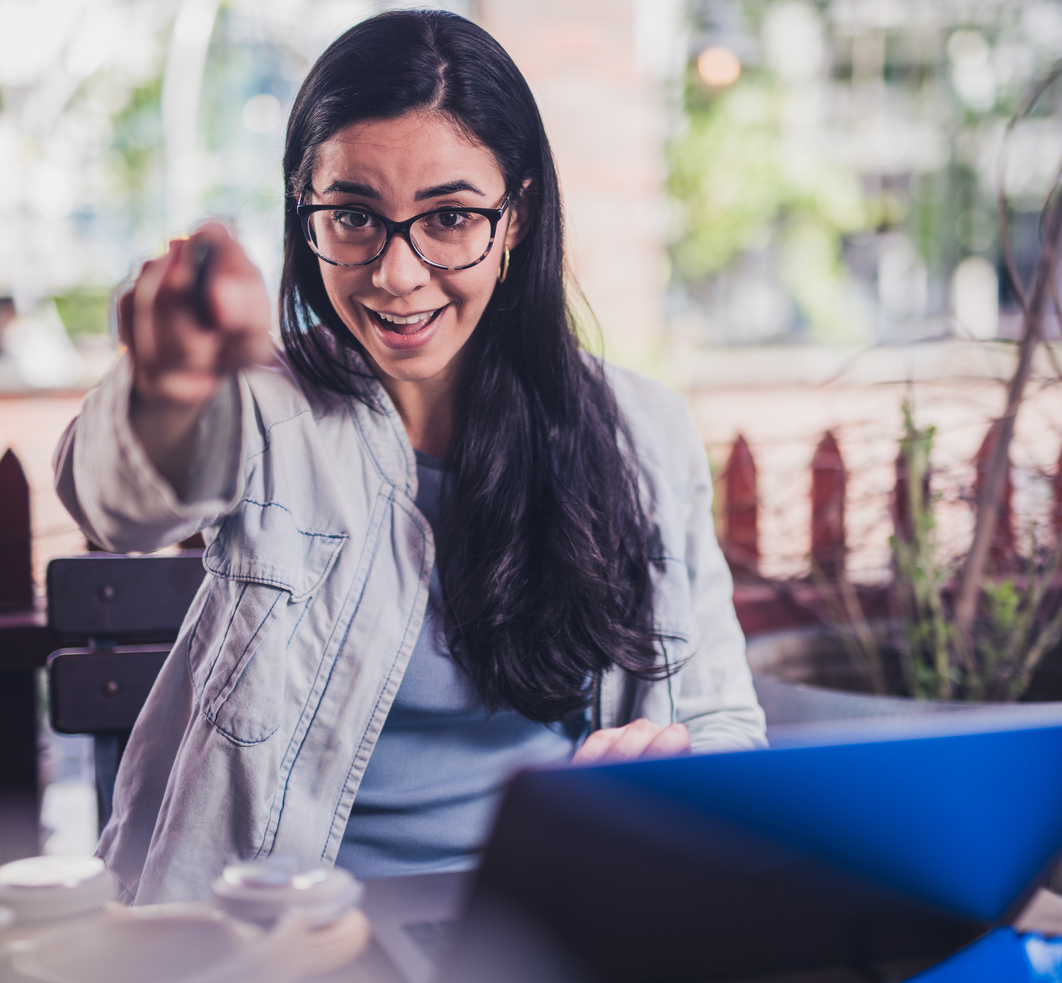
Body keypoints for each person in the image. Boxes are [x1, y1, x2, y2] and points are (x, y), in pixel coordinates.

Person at [55, 9, 765, 906]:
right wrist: (167, 389)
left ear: (517, 219)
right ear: (304, 211)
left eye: (451, 217)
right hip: (289, 943)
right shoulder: (266, 409)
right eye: (354, 215)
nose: (396, 273)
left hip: (550, 921)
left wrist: (674, 760)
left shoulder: (643, 432)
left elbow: (723, 719)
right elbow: (119, 503)